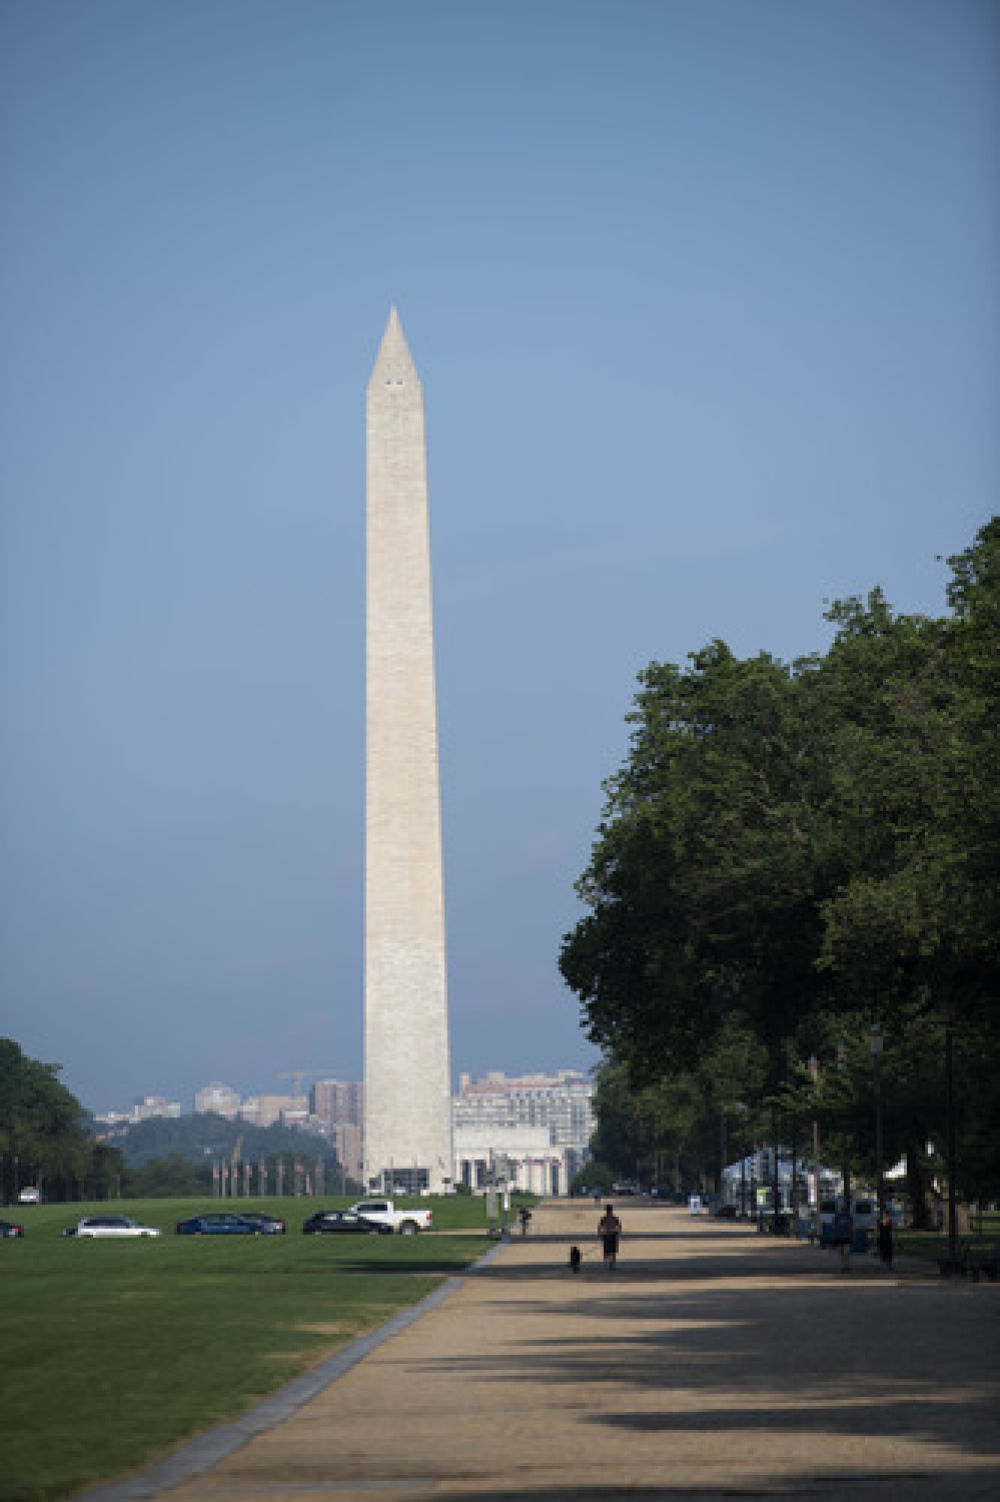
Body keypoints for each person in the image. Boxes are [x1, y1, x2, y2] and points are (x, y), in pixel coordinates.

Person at [598, 1203, 622, 1270]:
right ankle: (612, 1264)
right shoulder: (614, 1218)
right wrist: (618, 1232)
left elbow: (600, 1227)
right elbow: (619, 1226)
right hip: (612, 1234)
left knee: (607, 1250)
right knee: (612, 1251)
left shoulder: (604, 1218)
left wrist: (600, 1234)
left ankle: (608, 1263)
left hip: (607, 1235)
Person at [832, 1201, 854, 1272]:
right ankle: (844, 1266)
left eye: (844, 1208)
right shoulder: (837, 1217)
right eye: (842, 1208)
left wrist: (851, 1234)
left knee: (846, 1252)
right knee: (842, 1253)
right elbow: (834, 1227)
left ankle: (846, 1266)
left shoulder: (848, 1217)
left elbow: (851, 1227)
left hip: (846, 1237)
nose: (843, 1210)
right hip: (840, 1237)